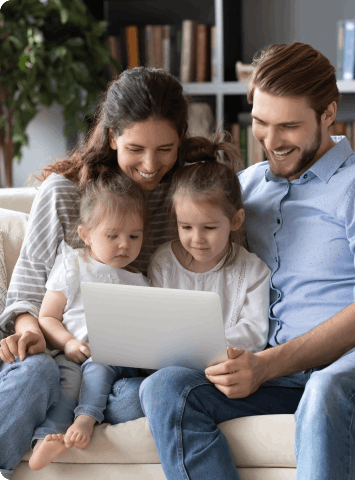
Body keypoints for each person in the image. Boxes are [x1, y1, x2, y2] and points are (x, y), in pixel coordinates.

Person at [139, 42, 355, 480]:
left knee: (326, 386)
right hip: (277, 372)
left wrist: (266, 365)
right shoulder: (245, 188)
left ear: (328, 114)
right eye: (261, 123)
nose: (272, 141)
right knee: (166, 387)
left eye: (289, 126)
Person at [0, 66, 189, 480]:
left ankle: (74, 418)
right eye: (135, 148)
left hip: (128, 370)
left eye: (166, 149)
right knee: (37, 374)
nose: (150, 165)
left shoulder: (184, 199)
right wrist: (32, 331)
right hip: (58, 354)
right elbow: (25, 297)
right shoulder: (67, 194)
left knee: (149, 395)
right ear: (112, 137)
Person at [29, 173, 150, 471]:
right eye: (113, 236)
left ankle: (86, 418)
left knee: (99, 368)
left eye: (134, 236)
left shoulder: (140, 280)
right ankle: (48, 438)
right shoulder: (73, 265)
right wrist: (68, 342)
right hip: (73, 353)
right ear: (86, 234)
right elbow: (47, 316)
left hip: (117, 358)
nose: (125, 245)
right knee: (67, 384)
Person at [148, 134, 270, 353]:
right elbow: (154, 326)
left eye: (209, 228)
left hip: (225, 371)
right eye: (186, 227)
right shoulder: (163, 263)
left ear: (236, 220)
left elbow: (254, 335)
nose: (197, 239)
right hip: (170, 365)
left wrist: (196, 346)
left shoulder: (253, 271)